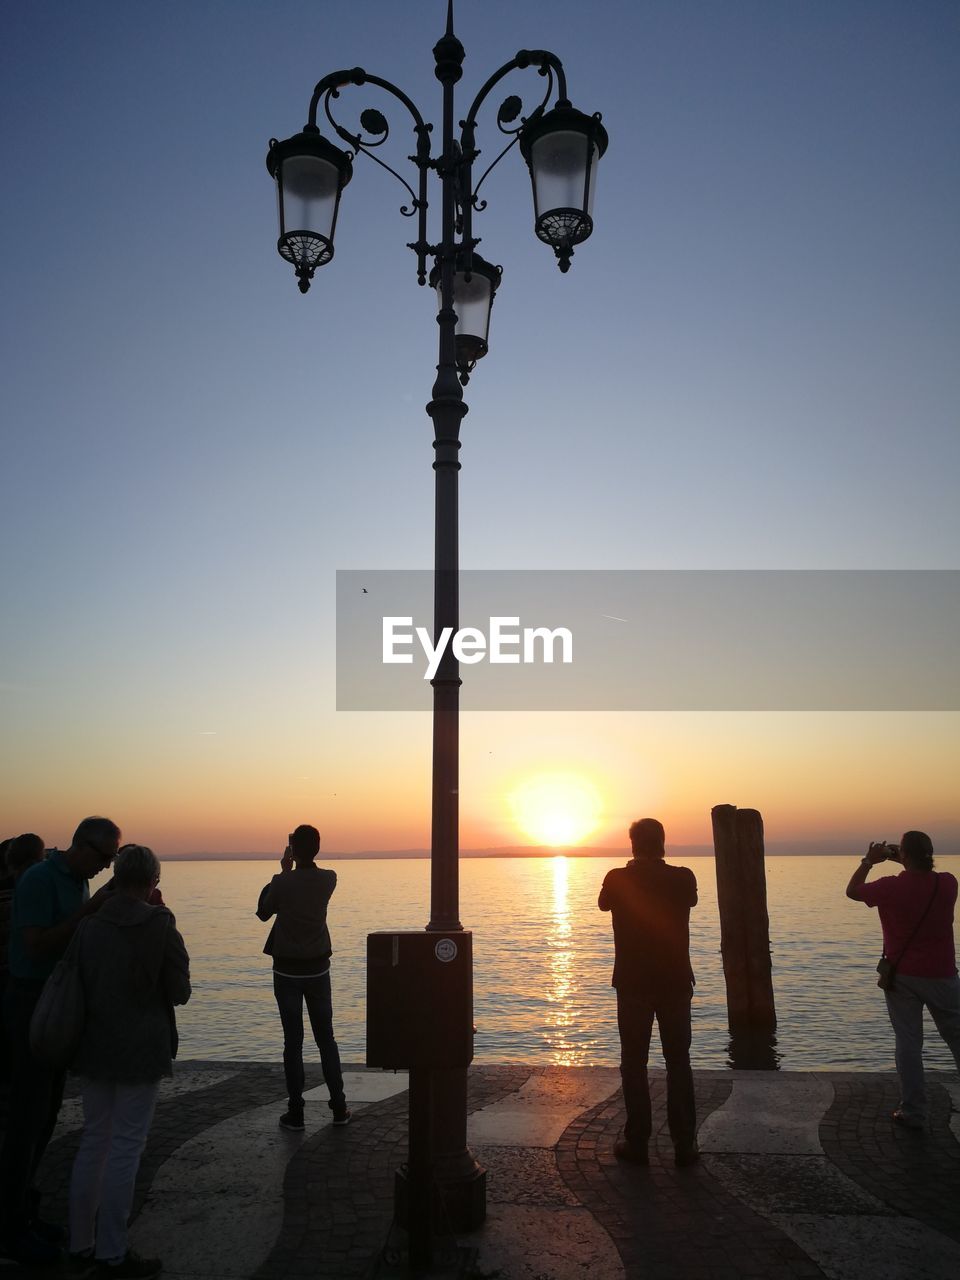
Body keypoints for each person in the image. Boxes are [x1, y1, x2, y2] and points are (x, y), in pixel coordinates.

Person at [0, 816, 120, 1266]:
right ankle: (8, 1228)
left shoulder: (77, 882)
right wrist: (89, 913)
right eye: (104, 859)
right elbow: (35, 945)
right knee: (25, 1117)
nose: (105, 868)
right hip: (31, 1001)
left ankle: (24, 1211)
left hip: (58, 1000)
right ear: (82, 847)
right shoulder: (38, 880)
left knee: (47, 1113)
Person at [67, 843, 191, 1279]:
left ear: (117, 877)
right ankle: (113, 1251)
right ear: (153, 881)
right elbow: (180, 991)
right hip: (140, 1050)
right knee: (125, 1148)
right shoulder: (160, 924)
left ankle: (80, 1241)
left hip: (94, 1047)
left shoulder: (89, 927)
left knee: (94, 1141)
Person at [599, 818, 699, 1166]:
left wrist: (632, 869)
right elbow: (690, 900)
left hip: (633, 983)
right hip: (674, 981)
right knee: (678, 1062)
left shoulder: (618, 878)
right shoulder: (683, 877)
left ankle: (638, 1142)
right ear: (663, 843)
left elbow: (604, 903)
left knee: (634, 1063)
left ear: (632, 844)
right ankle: (685, 1145)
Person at [846, 830, 960, 1129]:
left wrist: (869, 861)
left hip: (903, 975)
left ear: (904, 856)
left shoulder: (889, 888)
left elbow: (853, 890)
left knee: (909, 1043)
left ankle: (914, 1111)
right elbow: (920, 877)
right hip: (943, 974)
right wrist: (904, 859)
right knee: (957, 1038)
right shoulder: (948, 883)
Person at [256, 825, 349, 1131]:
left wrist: (283, 870)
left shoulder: (282, 882)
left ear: (293, 849)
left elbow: (263, 912)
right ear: (318, 848)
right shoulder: (329, 879)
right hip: (318, 969)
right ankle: (339, 1107)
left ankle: (296, 1112)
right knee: (327, 1040)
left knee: (293, 1042)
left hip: (286, 971)